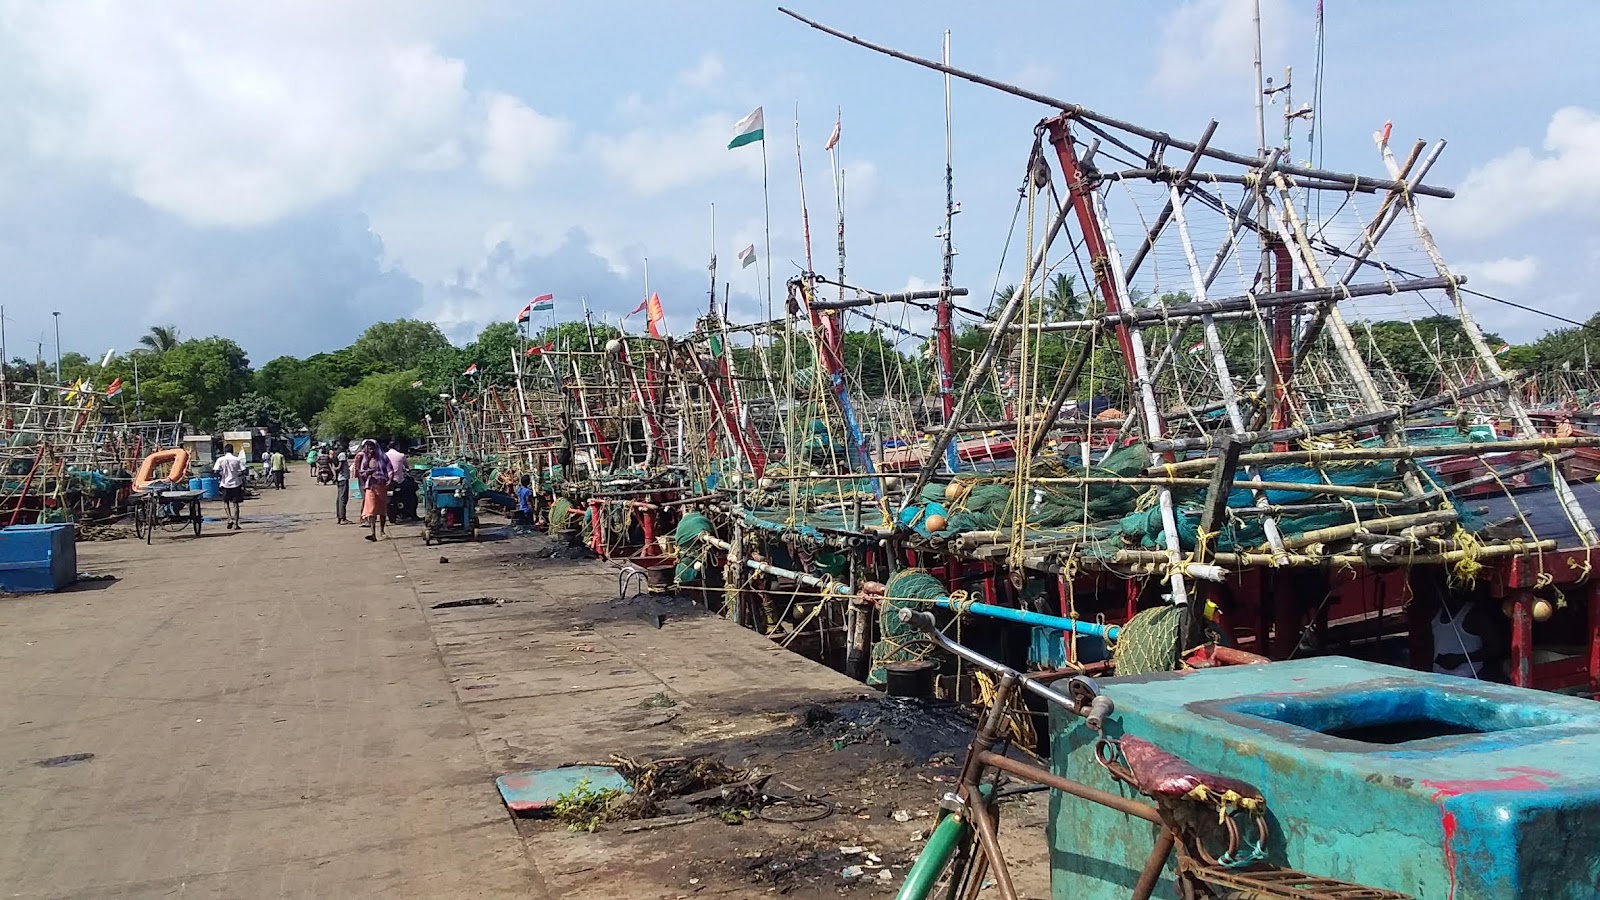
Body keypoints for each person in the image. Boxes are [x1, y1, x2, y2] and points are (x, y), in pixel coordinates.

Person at [354, 439, 393, 541]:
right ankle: (373, 533)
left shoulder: (383, 457)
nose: (371, 450)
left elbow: (390, 470)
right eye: (369, 448)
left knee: (382, 510)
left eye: (372, 448)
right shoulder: (365, 459)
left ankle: (382, 531)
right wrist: (367, 473)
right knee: (371, 511)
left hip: (382, 486)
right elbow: (361, 472)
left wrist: (389, 480)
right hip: (370, 486)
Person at [213, 443, 246, 530]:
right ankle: (236, 524)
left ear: (225, 451)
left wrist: (222, 474)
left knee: (226, 503)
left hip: (225, 484)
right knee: (236, 504)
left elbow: (215, 471)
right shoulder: (237, 459)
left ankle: (229, 519)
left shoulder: (220, 460)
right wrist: (237, 474)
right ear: (232, 450)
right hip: (236, 484)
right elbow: (243, 471)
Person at [333, 449, 351, 524]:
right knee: (343, 498)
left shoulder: (336, 453)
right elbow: (339, 467)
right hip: (343, 478)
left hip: (339, 478)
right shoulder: (342, 454)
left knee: (340, 498)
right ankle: (342, 518)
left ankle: (339, 517)